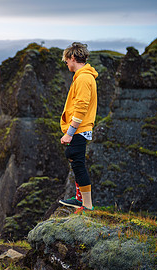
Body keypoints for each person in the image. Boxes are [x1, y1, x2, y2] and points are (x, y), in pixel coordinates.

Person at [58, 42, 98, 213]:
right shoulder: (83, 77)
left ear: (73, 58)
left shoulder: (83, 78)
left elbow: (81, 107)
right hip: (81, 128)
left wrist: (69, 133)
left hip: (79, 128)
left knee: (77, 161)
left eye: (66, 60)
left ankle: (87, 205)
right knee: (74, 159)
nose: (66, 63)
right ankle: (79, 199)